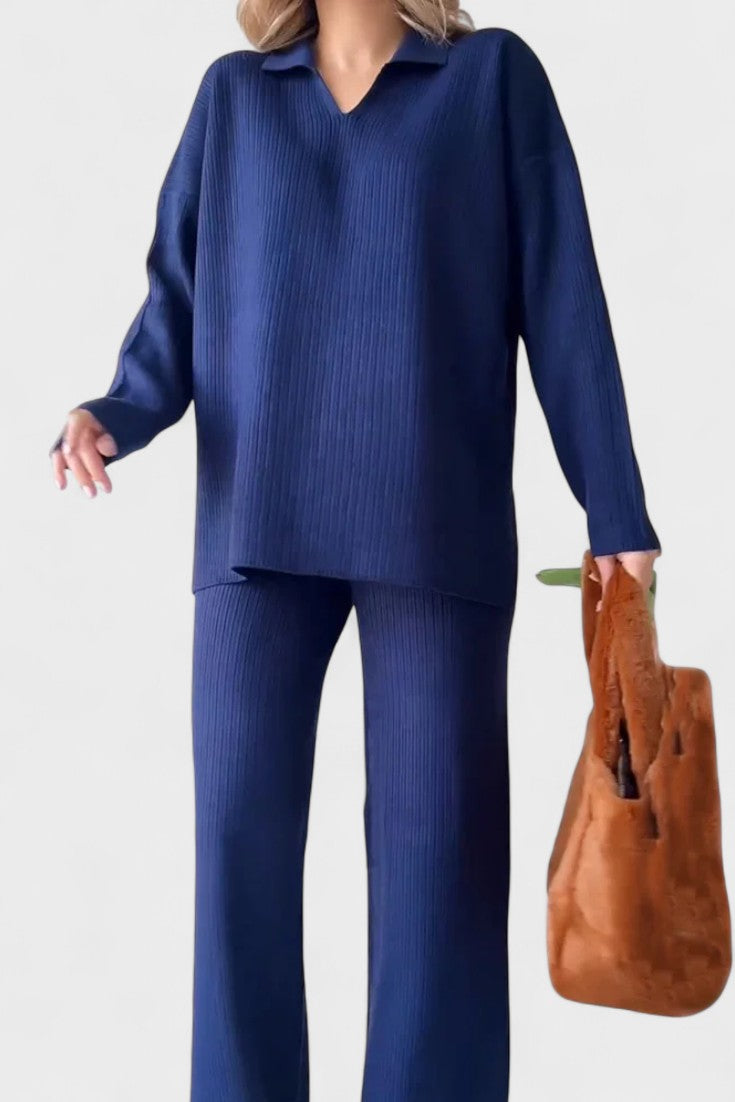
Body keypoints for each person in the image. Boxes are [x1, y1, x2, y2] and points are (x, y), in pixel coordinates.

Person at [48, 2, 662, 1099]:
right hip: (255, 526)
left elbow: (563, 296)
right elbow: (177, 300)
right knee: (238, 855)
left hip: (436, 524)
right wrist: (115, 411)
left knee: (441, 870)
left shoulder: (491, 82)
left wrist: (613, 508)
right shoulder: (234, 98)